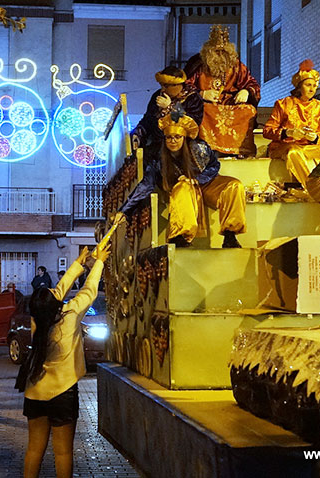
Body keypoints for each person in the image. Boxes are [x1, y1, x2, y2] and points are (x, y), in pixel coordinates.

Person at [19, 215, 122, 478]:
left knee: (34, 450)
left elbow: (56, 294)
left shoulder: (37, 321)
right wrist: (98, 263)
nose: (56, 292)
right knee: (63, 453)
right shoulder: (70, 316)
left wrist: (78, 264)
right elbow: (88, 291)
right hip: (63, 392)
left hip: (35, 391)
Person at [121, 113, 246, 248]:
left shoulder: (199, 148)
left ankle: (230, 235)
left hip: (206, 184)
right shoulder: (158, 157)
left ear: (184, 137)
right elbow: (146, 185)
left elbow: (214, 166)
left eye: (177, 137)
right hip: (183, 192)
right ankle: (180, 237)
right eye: (169, 137)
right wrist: (124, 210)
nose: (173, 141)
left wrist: (196, 179)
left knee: (234, 186)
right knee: (182, 187)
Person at [185, 25, 260, 157]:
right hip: (207, 104)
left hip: (231, 103)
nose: (220, 54)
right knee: (202, 110)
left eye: (223, 51)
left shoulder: (236, 65)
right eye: (216, 51)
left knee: (248, 110)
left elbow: (251, 83)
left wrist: (246, 91)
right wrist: (202, 93)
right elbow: (185, 86)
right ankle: (207, 149)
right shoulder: (199, 65)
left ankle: (239, 150)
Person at [262, 60, 320, 190]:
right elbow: (268, 130)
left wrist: (314, 137)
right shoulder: (283, 103)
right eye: (308, 85)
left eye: (314, 86)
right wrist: (289, 133)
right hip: (284, 147)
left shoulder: (319, 106)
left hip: (308, 148)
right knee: (293, 152)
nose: (312, 89)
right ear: (299, 86)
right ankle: (313, 187)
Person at [131, 66, 203, 149]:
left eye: (166, 86)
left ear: (177, 85)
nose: (162, 90)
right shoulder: (157, 95)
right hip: (158, 145)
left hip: (182, 147)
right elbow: (148, 119)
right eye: (161, 85)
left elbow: (192, 124)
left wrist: (170, 107)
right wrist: (138, 133)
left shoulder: (193, 98)